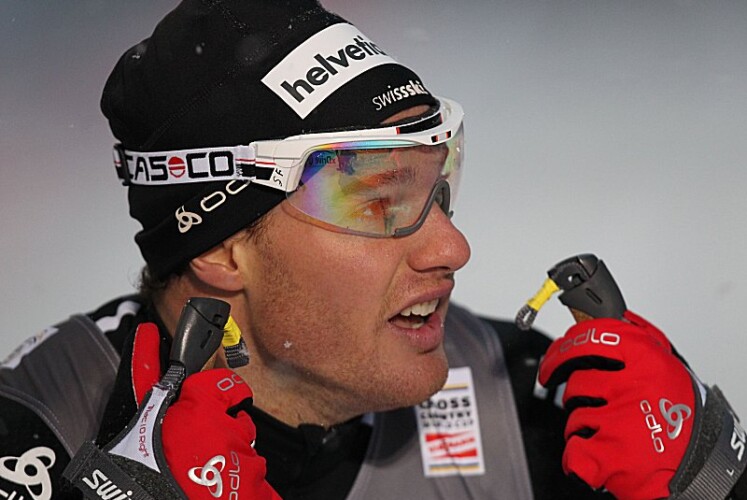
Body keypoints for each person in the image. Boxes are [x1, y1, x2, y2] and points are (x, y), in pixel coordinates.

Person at [1, 1, 744, 499]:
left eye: (439, 188)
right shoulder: (42, 426)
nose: (452, 246)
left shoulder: (519, 397)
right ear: (223, 249)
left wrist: (710, 481)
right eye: (381, 201)